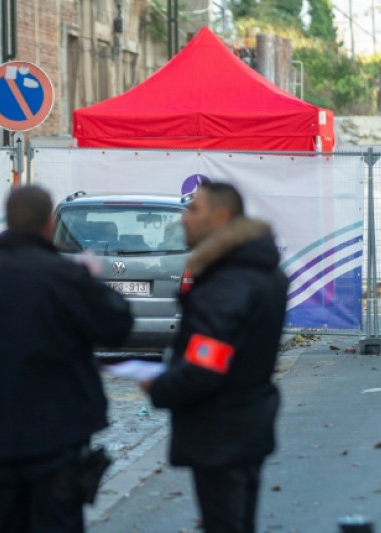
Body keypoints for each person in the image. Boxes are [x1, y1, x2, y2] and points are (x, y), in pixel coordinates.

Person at [0, 185, 133, 533]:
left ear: (8, 221)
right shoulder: (68, 278)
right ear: (49, 224)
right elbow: (118, 326)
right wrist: (94, 283)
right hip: (58, 442)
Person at [140, 182, 289, 533]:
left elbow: (206, 364)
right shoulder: (258, 271)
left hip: (220, 431)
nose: (184, 219)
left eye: (194, 210)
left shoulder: (227, 283)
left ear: (221, 217)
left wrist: (159, 386)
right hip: (245, 424)